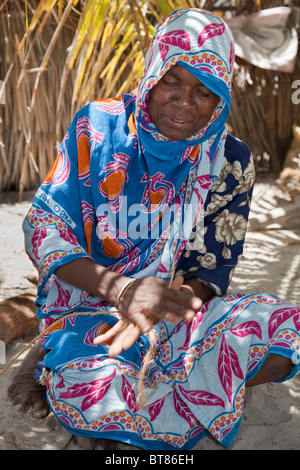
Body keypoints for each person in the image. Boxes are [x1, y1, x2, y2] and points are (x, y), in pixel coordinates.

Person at [12, 8, 300, 450]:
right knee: (102, 394)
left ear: (221, 99)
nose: (185, 102)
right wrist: (122, 292)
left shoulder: (230, 160)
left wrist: (171, 304)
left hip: (173, 307)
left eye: (205, 92)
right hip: (89, 304)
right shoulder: (98, 127)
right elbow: (46, 228)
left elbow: (213, 262)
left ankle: (154, 378)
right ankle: (80, 359)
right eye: (172, 81)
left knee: (286, 332)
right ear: (153, 73)